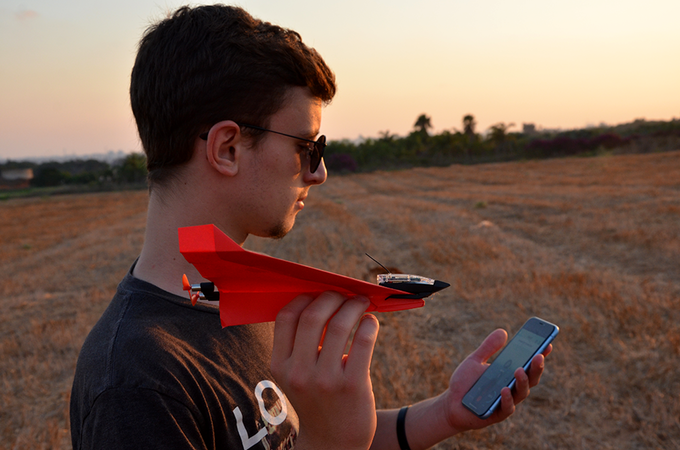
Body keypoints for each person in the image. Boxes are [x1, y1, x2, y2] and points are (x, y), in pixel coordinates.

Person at [69, 4, 553, 450]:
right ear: (227, 149)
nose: (318, 172)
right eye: (307, 147)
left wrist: (446, 413)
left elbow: (306, 435)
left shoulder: (237, 298)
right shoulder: (135, 384)